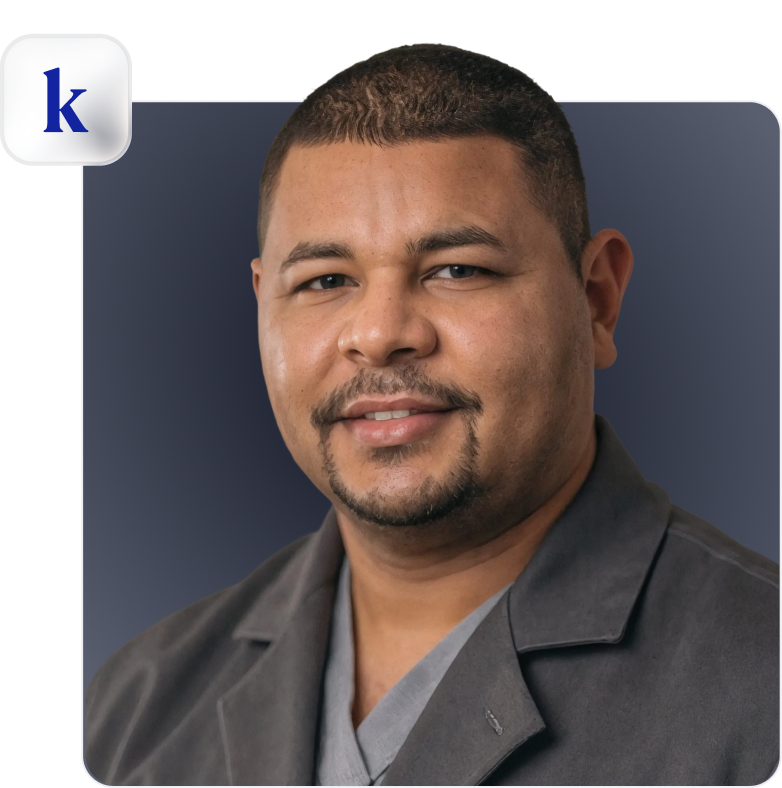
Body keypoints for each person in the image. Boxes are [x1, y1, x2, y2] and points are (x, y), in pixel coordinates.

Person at [84, 44, 779, 786]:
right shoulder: (135, 709)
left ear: (596, 300)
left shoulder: (763, 690)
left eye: (458, 269)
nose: (380, 333)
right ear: (262, 307)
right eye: (325, 281)